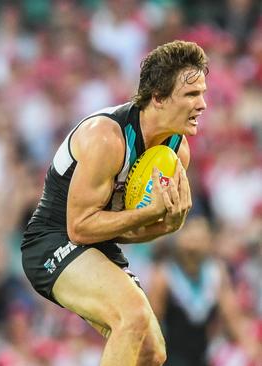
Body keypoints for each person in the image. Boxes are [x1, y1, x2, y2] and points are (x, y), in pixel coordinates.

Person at [21, 40, 207, 365]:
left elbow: (126, 231)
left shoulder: (177, 152)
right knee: (132, 316)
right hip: (51, 240)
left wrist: (166, 224)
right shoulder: (107, 137)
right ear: (159, 98)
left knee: (151, 353)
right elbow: (79, 228)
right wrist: (150, 213)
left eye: (203, 93)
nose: (203, 104)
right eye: (192, 95)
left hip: (98, 243)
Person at [148, 215, 261, 366]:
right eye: (189, 232)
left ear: (209, 240)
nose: (194, 238)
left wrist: (251, 347)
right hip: (172, 358)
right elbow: (151, 324)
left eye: (200, 234)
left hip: (203, 357)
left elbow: (231, 316)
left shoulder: (215, 273)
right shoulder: (164, 276)